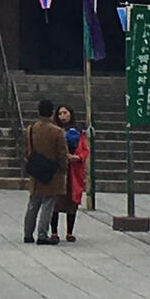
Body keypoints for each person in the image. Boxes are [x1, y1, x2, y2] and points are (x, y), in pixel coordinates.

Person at [20, 99, 69, 245]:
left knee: (33, 203)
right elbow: (62, 153)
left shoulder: (31, 128)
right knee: (48, 203)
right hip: (52, 171)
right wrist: (63, 168)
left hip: (36, 170)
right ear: (52, 113)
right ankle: (42, 234)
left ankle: (28, 233)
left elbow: (26, 150)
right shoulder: (57, 131)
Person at [55, 106, 88, 243]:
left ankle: (69, 231)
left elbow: (84, 150)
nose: (63, 116)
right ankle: (54, 231)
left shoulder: (78, 132)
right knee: (55, 203)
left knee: (72, 202)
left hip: (73, 171)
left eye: (65, 113)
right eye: (60, 113)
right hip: (58, 171)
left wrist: (78, 157)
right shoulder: (55, 131)